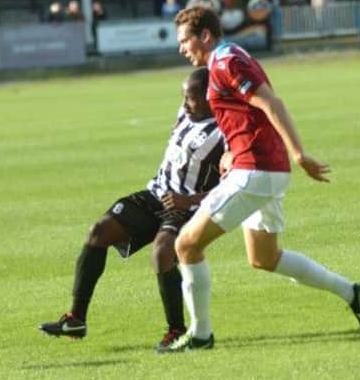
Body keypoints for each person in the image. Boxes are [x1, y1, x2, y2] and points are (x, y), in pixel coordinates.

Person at [161, 6, 360, 352]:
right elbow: (244, 116)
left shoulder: (227, 61)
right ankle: (353, 293)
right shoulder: (223, 61)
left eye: (185, 40)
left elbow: (271, 103)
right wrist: (231, 150)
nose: (181, 48)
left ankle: (200, 335)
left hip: (256, 171)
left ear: (205, 36)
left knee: (186, 244)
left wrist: (299, 153)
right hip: (262, 169)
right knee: (264, 257)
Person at [39, 68, 225, 352]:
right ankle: (76, 318)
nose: (185, 102)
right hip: (155, 195)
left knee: (162, 252)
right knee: (99, 232)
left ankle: (177, 330)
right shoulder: (185, 113)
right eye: (183, 96)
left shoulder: (222, 133)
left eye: (191, 97)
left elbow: (233, 182)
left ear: (210, 97)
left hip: (186, 206)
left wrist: (189, 201)